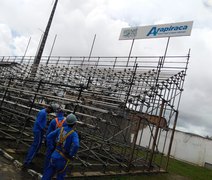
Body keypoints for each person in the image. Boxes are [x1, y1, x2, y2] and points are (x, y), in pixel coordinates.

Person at [42, 113, 80, 180]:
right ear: (74, 124)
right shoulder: (74, 134)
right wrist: (71, 155)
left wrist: (51, 147)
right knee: (60, 176)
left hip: (54, 155)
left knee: (47, 174)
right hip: (63, 159)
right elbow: (76, 145)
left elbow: (49, 136)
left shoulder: (60, 129)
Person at [23, 103, 59, 168]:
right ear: (50, 109)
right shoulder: (43, 113)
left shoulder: (43, 112)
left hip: (38, 130)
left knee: (37, 145)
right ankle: (27, 162)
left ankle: (29, 160)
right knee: (36, 145)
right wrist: (44, 129)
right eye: (51, 111)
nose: (51, 113)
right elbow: (38, 122)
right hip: (38, 131)